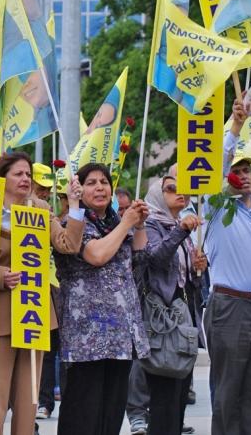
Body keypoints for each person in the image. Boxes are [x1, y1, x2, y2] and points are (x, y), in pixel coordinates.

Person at [54, 163, 178, 435]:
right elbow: (96, 255)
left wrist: (141, 224)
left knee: (111, 413)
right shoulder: (73, 223)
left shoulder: (115, 221)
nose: (99, 187)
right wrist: (127, 223)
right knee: (83, 413)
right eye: (91, 183)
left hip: (121, 333)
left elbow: (141, 257)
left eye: (104, 182)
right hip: (87, 336)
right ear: (79, 190)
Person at [0, 152, 85, 434]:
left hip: (33, 313)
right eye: (18, 174)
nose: (26, 179)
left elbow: (67, 244)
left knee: (29, 400)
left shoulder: (39, 208)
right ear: (2, 178)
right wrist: (0, 276)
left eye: (28, 174)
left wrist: (74, 206)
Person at [203, 97, 251, 434]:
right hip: (229, 307)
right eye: (236, 171)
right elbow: (215, 162)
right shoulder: (217, 206)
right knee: (228, 390)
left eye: (247, 170)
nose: (242, 176)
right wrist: (235, 125)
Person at [141, 175, 204, 435]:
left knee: (179, 397)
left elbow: (189, 282)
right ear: (157, 194)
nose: (180, 192)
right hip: (162, 321)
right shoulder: (151, 224)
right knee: (164, 397)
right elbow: (156, 258)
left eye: (183, 189)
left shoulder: (181, 226)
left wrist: (199, 269)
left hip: (183, 319)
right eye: (171, 188)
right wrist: (182, 231)